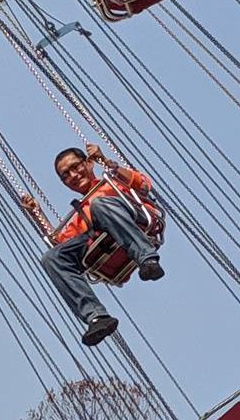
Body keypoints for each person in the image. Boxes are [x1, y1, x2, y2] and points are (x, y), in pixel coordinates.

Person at [24, 143, 164, 347]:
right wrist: (38, 216)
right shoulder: (81, 215)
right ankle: (96, 317)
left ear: (88, 164)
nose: (72, 175)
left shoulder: (112, 182)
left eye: (75, 167)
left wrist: (105, 161)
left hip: (134, 218)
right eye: (65, 175)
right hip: (103, 241)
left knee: (99, 205)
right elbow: (62, 246)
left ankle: (147, 259)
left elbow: (143, 185)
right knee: (51, 258)